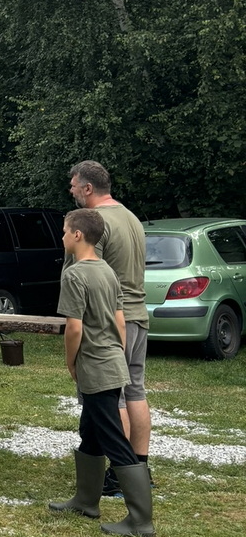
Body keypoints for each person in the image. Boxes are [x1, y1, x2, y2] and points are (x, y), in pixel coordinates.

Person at [49, 208, 154, 537]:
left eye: (65, 231)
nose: (62, 236)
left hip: (95, 366)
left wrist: (70, 362)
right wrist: (117, 354)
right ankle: (86, 501)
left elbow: (74, 328)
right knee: (90, 431)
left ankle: (140, 520)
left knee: (112, 437)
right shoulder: (108, 270)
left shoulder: (74, 275)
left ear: (77, 235)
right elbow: (121, 321)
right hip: (112, 361)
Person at [68, 160, 151, 495]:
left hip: (109, 322)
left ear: (88, 188)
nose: (71, 190)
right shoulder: (131, 217)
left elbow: (87, 274)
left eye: (74, 185)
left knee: (111, 397)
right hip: (138, 316)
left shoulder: (93, 223)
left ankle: (120, 474)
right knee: (135, 392)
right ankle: (140, 467)